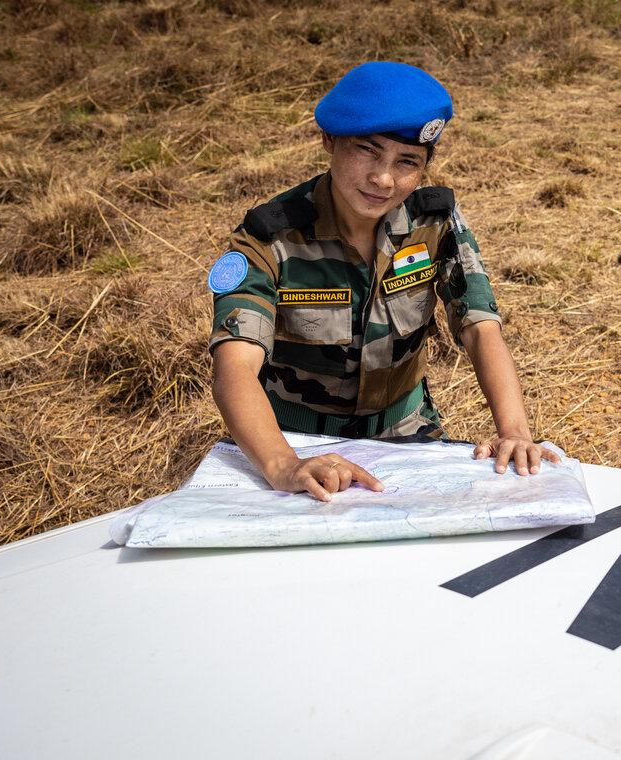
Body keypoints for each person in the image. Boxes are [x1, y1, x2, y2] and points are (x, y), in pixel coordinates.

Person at [206, 61, 557, 502]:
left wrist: (515, 432)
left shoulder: (434, 220)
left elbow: (480, 326)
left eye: (407, 161)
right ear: (329, 140)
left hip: (406, 431)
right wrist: (283, 464)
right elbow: (234, 367)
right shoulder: (269, 236)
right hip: (292, 438)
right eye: (367, 151)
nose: (384, 179)